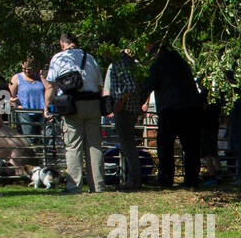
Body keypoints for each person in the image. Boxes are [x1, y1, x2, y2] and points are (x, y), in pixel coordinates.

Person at [42, 31, 105, 194]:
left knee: (73, 145)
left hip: (72, 105)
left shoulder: (59, 58)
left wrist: (47, 106)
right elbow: (99, 86)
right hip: (93, 104)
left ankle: (74, 186)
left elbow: (50, 86)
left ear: (63, 44)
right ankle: (97, 185)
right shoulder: (90, 58)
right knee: (94, 145)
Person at [137, 41, 204, 188]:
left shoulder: (159, 64)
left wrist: (137, 103)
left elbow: (148, 85)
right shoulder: (181, 62)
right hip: (190, 108)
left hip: (170, 109)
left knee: (165, 146)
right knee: (191, 147)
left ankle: (166, 179)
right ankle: (192, 179)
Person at [104, 48, 142, 190]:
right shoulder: (132, 62)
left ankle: (134, 179)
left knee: (127, 145)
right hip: (131, 109)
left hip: (125, 110)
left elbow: (130, 87)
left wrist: (119, 104)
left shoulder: (120, 63)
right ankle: (133, 178)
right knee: (128, 144)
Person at [9, 58, 46, 140]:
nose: (27, 71)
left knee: (45, 136)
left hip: (41, 111)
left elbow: (48, 89)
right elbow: (11, 96)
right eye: (24, 69)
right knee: (30, 138)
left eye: (29, 69)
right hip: (25, 112)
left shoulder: (39, 77)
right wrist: (17, 106)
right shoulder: (16, 78)